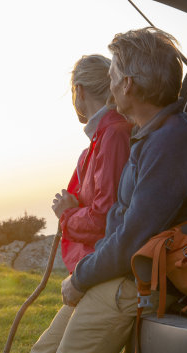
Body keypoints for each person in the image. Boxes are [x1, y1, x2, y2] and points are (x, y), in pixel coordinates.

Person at [4, 27, 187, 353]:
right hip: (117, 272)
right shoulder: (149, 135)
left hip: (133, 281)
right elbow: (119, 225)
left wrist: (80, 277)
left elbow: (132, 237)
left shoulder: (171, 142)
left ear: (129, 84)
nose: (110, 80)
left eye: (114, 72)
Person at [52, 54, 132, 274]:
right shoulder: (102, 139)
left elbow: (106, 219)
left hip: (107, 267)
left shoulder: (113, 136)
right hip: (96, 265)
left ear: (80, 90)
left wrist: (66, 214)